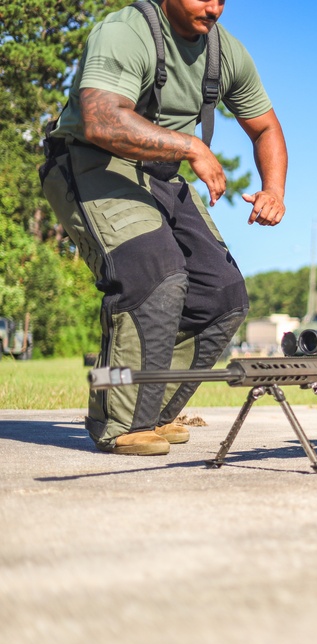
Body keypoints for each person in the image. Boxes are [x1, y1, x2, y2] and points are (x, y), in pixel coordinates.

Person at [39, 0, 288, 455]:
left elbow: (266, 128)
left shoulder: (226, 53)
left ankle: (151, 412)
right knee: (153, 272)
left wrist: (273, 189)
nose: (213, 8)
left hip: (159, 176)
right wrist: (189, 145)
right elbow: (100, 118)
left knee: (221, 295)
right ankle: (118, 420)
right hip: (90, 161)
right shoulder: (126, 30)